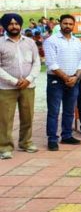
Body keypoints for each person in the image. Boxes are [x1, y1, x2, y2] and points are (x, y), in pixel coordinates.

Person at [0, 13, 40, 159]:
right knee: (5, 118)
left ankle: (26, 142)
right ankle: (4, 147)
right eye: (10, 24)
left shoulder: (29, 42)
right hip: (6, 88)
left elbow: (37, 62)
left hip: (28, 87)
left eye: (17, 23)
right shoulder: (0, 43)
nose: (14, 26)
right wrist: (14, 81)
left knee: (27, 116)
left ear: (20, 25)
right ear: (4, 26)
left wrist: (29, 79)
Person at [43, 14, 81, 151]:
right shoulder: (51, 41)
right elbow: (51, 64)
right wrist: (66, 78)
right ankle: (52, 139)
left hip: (74, 80)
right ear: (60, 24)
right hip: (56, 80)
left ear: (74, 25)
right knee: (54, 111)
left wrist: (75, 77)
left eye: (70, 24)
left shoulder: (77, 41)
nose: (68, 26)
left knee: (69, 111)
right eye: (65, 23)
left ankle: (67, 135)